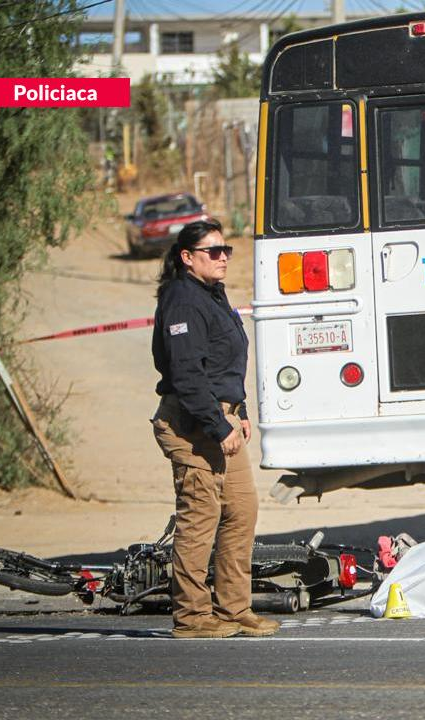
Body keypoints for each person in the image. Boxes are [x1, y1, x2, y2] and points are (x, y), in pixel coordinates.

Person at [150, 219, 279, 639]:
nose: (223, 257)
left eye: (226, 250)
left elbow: (223, 364)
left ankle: (233, 609)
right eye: (213, 251)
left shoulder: (212, 294)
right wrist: (216, 423)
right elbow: (186, 374)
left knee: (241, 509)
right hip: (192, 424)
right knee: (200, 518)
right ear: (187, 258)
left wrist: (237, 411)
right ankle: (191, 618)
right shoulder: (183, 301)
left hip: (220, 419)